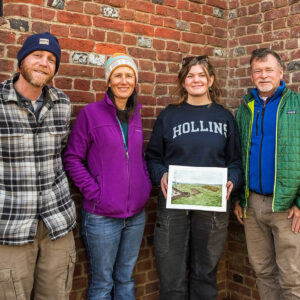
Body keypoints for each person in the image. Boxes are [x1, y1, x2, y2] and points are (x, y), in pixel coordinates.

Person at [145, 55, 242, 300]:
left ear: (210, 80)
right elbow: (153, 157)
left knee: (205, 273)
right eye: (190, 75)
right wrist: (162, 175)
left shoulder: (225, 117)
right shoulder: (169, 116)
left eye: (201, 75)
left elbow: (235, 162)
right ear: (183, 81)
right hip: (173, 203)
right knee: (171, 275)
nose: (196, 80)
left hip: (212, 203)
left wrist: (232, 179)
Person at [63, 53, 152, 300]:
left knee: (125, 279)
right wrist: (96, 193)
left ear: (135, 81)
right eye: (117, 75)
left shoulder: (136, 115)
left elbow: (137, 157)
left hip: (135, 216)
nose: (124, 81)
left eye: (129, 76)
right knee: (102, 284)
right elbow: (72, 158)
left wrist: (143, 187)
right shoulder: (90, 114)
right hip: (101, 217)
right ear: (109, 81)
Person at [0, 32, 76, 299]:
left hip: (57, 224)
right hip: (10, 227)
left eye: (51, 59)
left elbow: (63, 153)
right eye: (37, 55)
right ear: (21, 60)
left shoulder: (63, 104)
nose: (44, 63)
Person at [234, 48, 300, 300]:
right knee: (263, 271)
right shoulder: (245, 109)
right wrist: (239, 197)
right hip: (253, 205)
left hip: (286, 206)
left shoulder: (296, 105)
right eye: (257, 71)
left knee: (292, 277)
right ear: (251, 75)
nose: (263, 75)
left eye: (268, 70)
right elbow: (239, 155)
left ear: (281, 72)